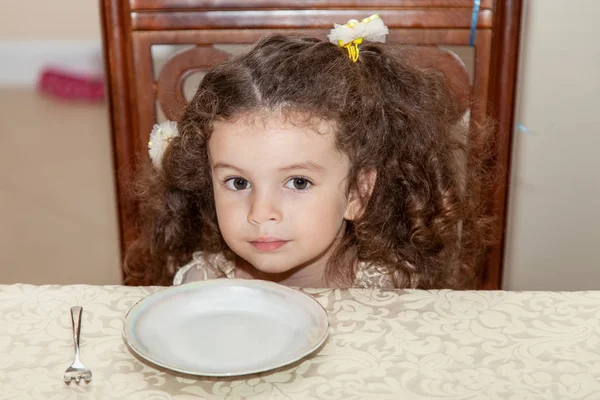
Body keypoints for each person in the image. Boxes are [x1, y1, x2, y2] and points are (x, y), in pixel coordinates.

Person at [126, 15, 494, 289]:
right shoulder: (202, 287)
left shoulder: (390, 294)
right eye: (237, 182)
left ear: (357, 193)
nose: (261, 214)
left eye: (298, 182)